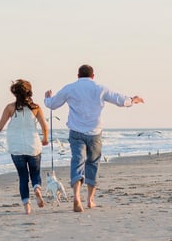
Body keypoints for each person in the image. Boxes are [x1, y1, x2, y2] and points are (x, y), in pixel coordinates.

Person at [44, 64, 144, 212]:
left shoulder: (70, 88)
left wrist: (47, 98)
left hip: (76, 131)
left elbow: (52, 105)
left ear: (78, 75)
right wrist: (133, 100)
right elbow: (120, 100)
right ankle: (90, 200)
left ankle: (77, 196)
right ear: (93, 76)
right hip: (95, 132)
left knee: (77, 162)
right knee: (93, 164)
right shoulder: (100, 88)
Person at [0, 79, 50, 215]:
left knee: (23, 177)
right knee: (35, 173)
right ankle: (37, 189)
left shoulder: (10, 108)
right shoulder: (36, 108)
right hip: (33, 146)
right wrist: (45, 139)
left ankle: (27, 207)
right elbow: (44, 126)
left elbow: (0, 127)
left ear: (15, 93)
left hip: (16, 148)